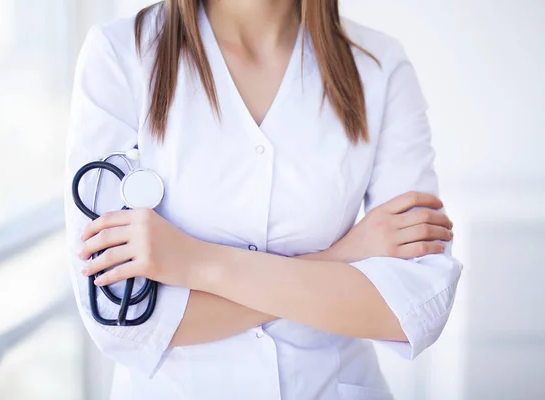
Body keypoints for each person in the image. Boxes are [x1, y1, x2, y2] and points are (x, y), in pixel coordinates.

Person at [64, 0, 463, 399]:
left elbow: (411, 309)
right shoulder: (120, 55)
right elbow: (123, 322)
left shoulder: (379, 65)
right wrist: (339, 258)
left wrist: (196, 263)